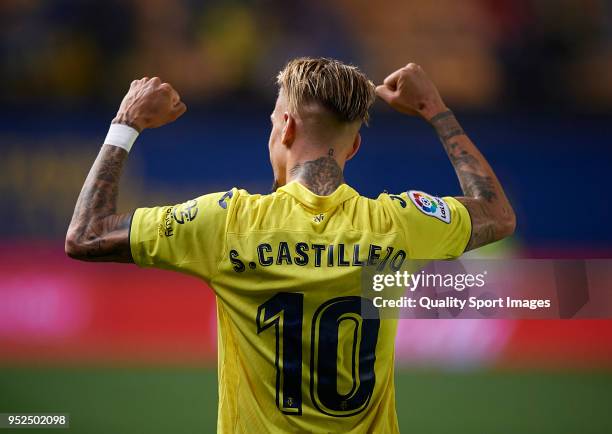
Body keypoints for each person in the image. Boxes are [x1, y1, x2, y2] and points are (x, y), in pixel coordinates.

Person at [66, 57, 515, 433]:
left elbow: (86, 235)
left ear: (285, 128)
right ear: (354, 146)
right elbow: (496, 214)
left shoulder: (229, 223)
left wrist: (126, 123)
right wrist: (433, 108)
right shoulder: (396, 224)